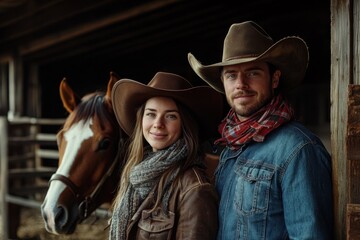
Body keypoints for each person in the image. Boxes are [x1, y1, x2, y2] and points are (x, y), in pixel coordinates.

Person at [188, 21, 333, 239]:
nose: (241, 84)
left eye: (253, 73)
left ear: (274, 79)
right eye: (231, 75)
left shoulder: (298, 149)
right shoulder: (230, 146)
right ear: (223, 82)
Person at [109, 71, 223, 239]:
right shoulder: (136, 174)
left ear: (185, 124)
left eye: (170, 116)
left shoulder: (195, 190)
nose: (158, 124)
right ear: (141, 120)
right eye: (151, 114)